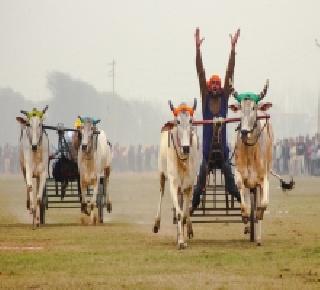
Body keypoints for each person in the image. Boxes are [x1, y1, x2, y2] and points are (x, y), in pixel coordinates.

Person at [192, 27, 241, 211]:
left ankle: (239, 198)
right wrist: (197, 50)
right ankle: (193, 205)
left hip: (222, 152)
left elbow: (230, 72)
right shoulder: (205, 97)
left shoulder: (224, 97)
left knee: (229, 175)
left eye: (216, 84)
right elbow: (200, 72)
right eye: (211, 83)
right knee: (200, 181)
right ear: (207, 86)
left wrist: (233, 49)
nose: (213, 86)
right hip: (206, 152)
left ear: (220, 87)